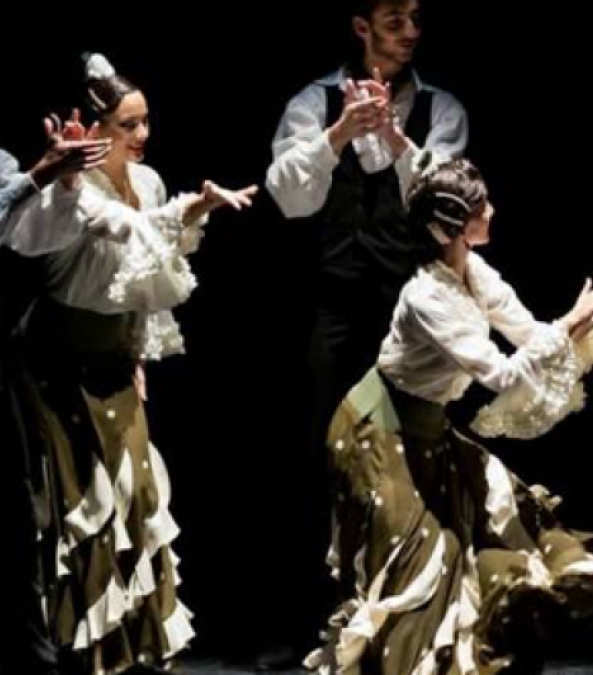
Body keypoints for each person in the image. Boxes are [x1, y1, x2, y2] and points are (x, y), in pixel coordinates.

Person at [304, 157, 593, 675]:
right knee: (419, 570)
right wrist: (570, 323)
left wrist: (575, 326)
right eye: (479, 207)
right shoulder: (427, 296)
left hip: (427, 430)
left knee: (506, 523)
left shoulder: (472, 270)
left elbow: (529, 335)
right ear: (451, 227)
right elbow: (502, 374)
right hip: (375, 431)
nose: (491, 210)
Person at [19, 52, 256, 675]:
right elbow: (126, 228)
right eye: (129, 124)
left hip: (114, 362)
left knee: (139, 500)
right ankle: (88, 655)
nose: (143, 134)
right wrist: (192, 209)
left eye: (146, 120)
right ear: (96, 129)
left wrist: (137, 353)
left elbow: (143, 277)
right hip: (59, 366)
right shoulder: (74, 189)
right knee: (87, 511)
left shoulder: (147, 182)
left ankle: (134, 650)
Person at [262, 0, 467, 667]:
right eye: (395, 19)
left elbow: (448, 201)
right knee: (326, 456)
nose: (411, 33)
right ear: (361, 26)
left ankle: (409, 624)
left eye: (416, 20)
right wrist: (341, 132)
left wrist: (399, 141)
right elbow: (288, 195)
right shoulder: (313, 102)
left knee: (413, 462)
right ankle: (317, 623)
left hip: (412, 312)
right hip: (335, 305)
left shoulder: (440, 109)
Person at [0, 30, 112, 675]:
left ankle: (22, 649)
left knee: (11, 503)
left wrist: (63, 183)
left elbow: (34, 236)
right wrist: (41, 174)